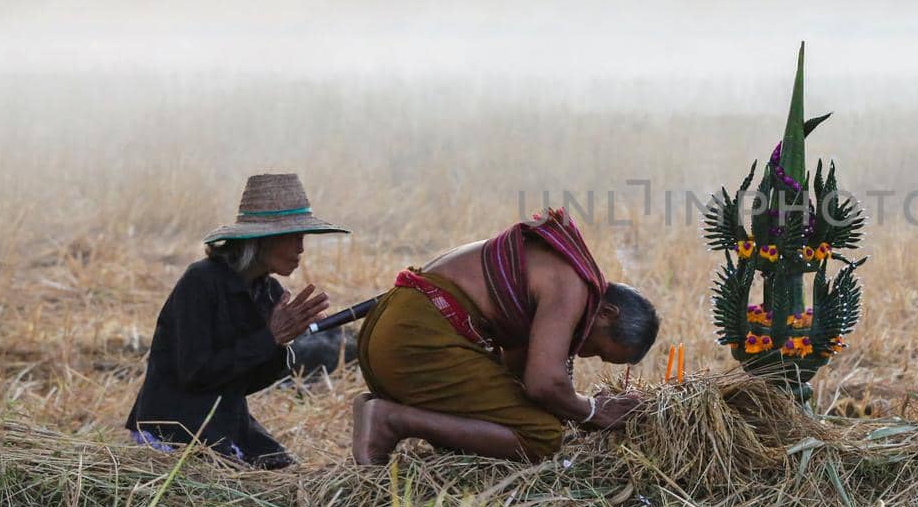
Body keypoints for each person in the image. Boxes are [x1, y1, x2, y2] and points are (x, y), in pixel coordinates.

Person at [351, 208, 657, 464]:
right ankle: (391, 420)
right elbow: (542, 384)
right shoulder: (572, 286)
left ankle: (380, 410)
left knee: (498, 433)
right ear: (607, 313)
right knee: (540, 438)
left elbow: (518, 374)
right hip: (416, 339)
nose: (585, 354)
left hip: (389, 334)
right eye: (599, 351)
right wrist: (592, 410)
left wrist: (568, 407)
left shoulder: (565, 277)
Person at [125, 173, 347, 468]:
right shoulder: (200, 281)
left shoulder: (269, 292)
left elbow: (248, 381)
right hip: (175, 424)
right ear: (262, 240)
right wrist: (269, 339)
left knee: (287, 474)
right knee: (243, 486)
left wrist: (282, 342)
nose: (301, 248)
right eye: (293, 236)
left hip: (225, 419)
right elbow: (195, 373)